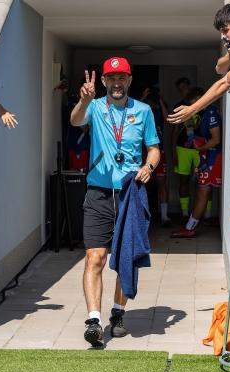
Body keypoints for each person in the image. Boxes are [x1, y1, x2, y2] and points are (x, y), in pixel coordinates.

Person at [70, 57, 160, 347]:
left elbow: (154, 148)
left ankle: (118, 313)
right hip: (98, 192)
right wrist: (84, 100)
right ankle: (94, 322)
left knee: (125, 257)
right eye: (111, 78)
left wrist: (149, 167)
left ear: (130, 80)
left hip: (130, 192)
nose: (117, 83)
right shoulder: (95, 106)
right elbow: (75, 120)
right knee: (94, 257)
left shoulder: (143, 110)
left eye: (122, 78)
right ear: (104, 81)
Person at [171, 100, 222, 238]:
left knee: (203, 191)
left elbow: (215, 139)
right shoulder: (206, 112)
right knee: (201, 190)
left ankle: (192, 226)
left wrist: (200, 147)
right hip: (206, 156)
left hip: (211, 157)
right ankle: (189, 224)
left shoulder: (209, 112)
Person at [142, 86, 171, 226]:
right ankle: (142, 215)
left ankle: (164, 216)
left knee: (161, 183)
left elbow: (167, 118)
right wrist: (143, 97)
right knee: (141, 182)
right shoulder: (141, 108)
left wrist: (160, 99)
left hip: (159, 150)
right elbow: (129, 111)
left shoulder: (159, 109)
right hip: (142, 151)